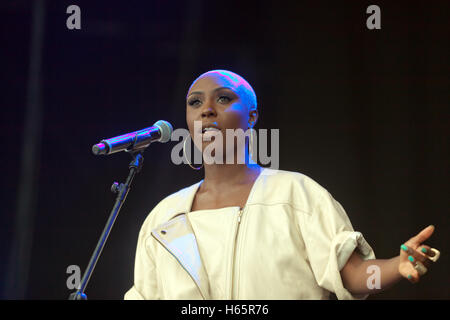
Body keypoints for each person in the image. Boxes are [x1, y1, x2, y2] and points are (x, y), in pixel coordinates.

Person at [124, 70, 440, 300]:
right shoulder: (164, 216)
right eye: (194, 102)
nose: (206, 109)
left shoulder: (295, 194)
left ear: (251, 117)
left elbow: (355, 277)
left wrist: (397, 267)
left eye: (223, 98)